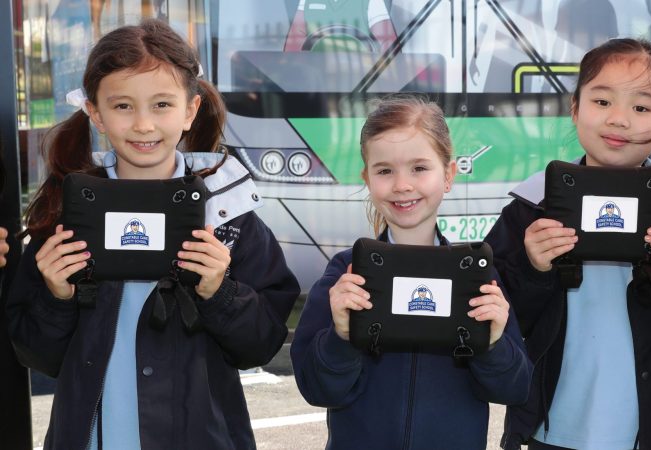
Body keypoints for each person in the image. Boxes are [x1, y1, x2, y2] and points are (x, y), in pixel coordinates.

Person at [7, 19, 300, 450]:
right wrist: (56, 296)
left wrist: (220, 291)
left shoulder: (231, 219)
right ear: (95, 114)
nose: (143, 124)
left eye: (161, 104)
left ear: (190, 110)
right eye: (123, 106)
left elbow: (262, 343)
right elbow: (36, 355)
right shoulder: (64, 220)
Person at [485, 38, 651, 450]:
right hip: (553, 428)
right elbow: (498, 318)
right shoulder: (532, 208)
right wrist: (532, 267)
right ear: (575, 108)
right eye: (602, 102)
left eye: (641, 107)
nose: (619, 120)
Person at [290, 96, 532, 450]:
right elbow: (318, 388)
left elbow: (514, 388)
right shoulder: (347, 274)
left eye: (420, 168)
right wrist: (341, 337)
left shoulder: (475, 277)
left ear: (448, 175)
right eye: (385, 170)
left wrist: (493, 343)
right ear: (367, 179)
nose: (402, 185)